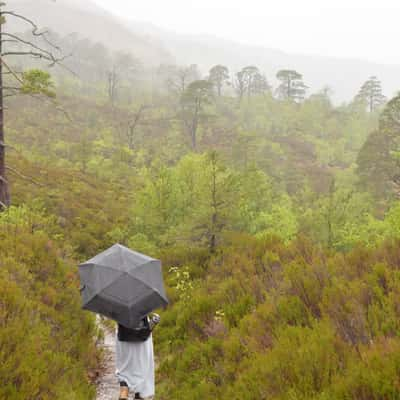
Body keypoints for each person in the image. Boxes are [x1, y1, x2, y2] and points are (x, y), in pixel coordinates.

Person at [116, 313, 161, 400]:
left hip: (123, 332)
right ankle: (139, 394)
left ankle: (124, 391)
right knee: (142, 365)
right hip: (142, 336)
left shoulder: (118, 302)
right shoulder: (143, 301)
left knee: (125, 368)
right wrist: (154, 320)